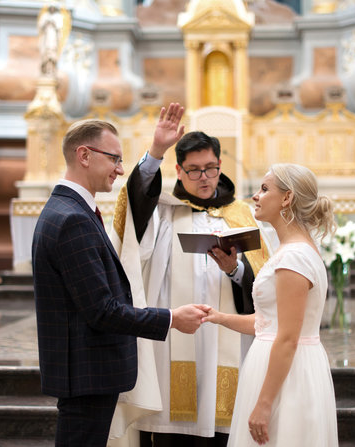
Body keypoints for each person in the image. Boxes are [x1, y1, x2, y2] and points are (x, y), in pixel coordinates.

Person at [32, 111, 210, 447]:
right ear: (84, 155)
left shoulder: (71, 210)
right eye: (114, 158)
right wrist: (172, 318)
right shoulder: (72, 218)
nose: (119, 168)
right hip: (86, 374)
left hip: (84, 372)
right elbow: (102, 310)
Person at [111, 119, 272, 446]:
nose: (204, 178)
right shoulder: (165, 213)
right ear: (179, 170)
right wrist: (155, 151)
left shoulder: (241, 214)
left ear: (220, 166)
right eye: (194, 170)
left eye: (210, 169)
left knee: (222, 426)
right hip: (173, 339)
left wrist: (235, 270)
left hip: (227, 338)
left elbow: (265, 285)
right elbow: (135, 207)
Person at [201, 163, 339, 446]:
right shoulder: (293, 251)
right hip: (282, 366)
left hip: (287, 377)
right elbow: (269, 323)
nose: (255, 196)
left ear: (287, 198)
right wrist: (218, 317)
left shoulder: (294, 257)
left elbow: (288, 338)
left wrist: (264, 403)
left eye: (265, 189)